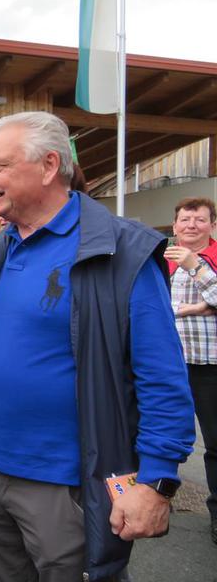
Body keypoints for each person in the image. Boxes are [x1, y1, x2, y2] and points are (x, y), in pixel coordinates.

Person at [0, 111, 195, 582]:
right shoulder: (1, 248)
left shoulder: (120, 250)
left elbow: (161, 377)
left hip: (68, 488)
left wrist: (156, 483)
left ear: (48, 166)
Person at [164, 196, 217, 544]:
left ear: (212, 225)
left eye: (199, 219)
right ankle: (155, 496)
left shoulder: (209, 260)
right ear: (175, 226)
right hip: (168, 366)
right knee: (161, 436)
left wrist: (196, 266)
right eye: (185, 220)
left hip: (211, 367)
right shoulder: (161, 261)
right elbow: (151, 306)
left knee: (216, 444)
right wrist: (199, 307)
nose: (191, 225)